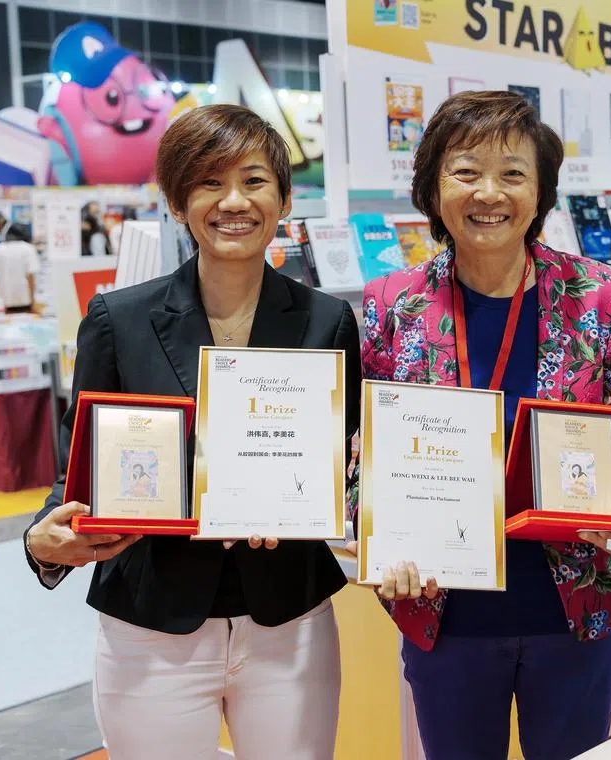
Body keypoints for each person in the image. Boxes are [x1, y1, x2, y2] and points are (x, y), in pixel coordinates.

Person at [22, 104, 361, 760]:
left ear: (284, 198)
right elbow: (78, 475)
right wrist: (44, 542)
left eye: (255, 181)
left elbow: (339, 468)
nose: (234, 201)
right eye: (209, 182)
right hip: (152, 622)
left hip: (288, 618)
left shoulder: (328, 322)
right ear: (178, 201)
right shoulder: (118, 319)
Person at [353, 90, 611, 760]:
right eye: (466, 171)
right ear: (433, 187)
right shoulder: (391, 305)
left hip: (574, 609)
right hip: (444, 613)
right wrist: (376, 543)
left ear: (541, 190)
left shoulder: (596, 297)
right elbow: (362, 452)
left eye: (512, 173)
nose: (489, 193)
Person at [0, 223, 40, 313]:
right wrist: (33, 302)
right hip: (24, 301)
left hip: (4, 302)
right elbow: (30, 276)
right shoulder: (28, 249)